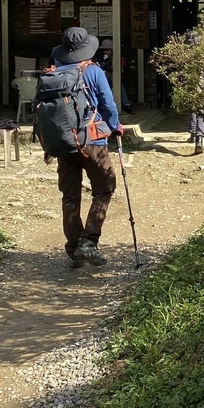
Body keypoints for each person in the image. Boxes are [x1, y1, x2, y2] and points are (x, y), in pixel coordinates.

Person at [50, 27, 125, 268]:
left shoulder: (53, 73)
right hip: (93, 142)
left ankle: (74, 250)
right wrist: (115, 127)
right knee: (104, 189)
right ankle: (88, 242)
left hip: (63, 143)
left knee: (70, 196)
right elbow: (108, 104)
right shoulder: (93, 71)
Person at [184, 29, 204, 154]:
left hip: (190, 83)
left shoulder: (185, 54)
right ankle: (199, 138)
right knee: (201, 110)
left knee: (192, 107)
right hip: (202, 84)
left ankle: (193, 133)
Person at [96, 38, 132, 113]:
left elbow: (121, 68)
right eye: (104, 50)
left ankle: (126, 105)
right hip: (105, 77)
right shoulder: (102, 60)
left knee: (120, 89)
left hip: (115, 77)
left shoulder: (119, 58)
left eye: (107, 50)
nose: (105, 52)